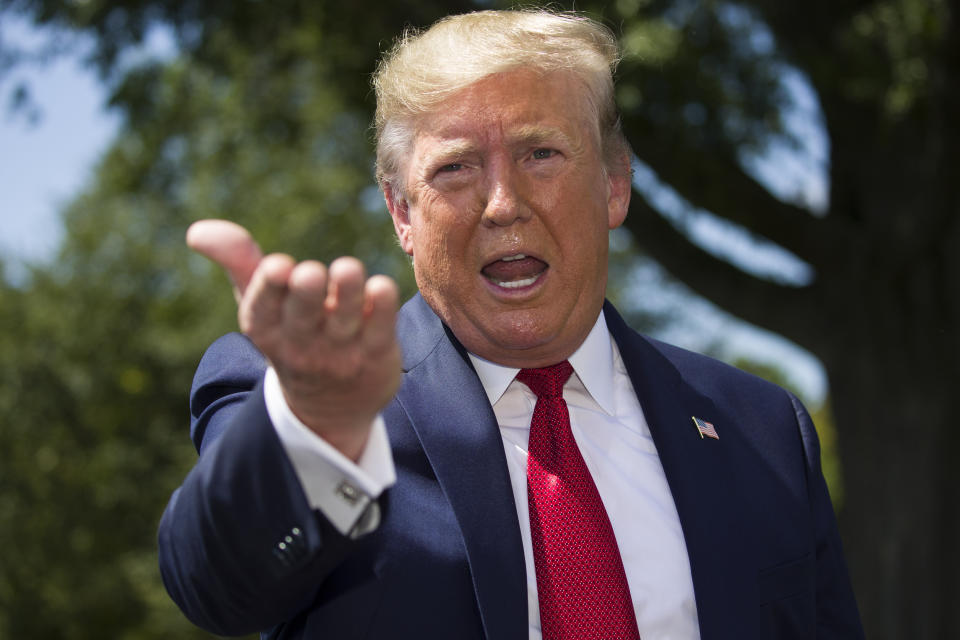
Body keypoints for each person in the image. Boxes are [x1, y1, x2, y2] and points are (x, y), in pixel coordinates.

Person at [158, 9, 864, 640]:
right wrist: (316, 434)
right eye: (456, 168)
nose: (503, 204)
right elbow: (217, 589)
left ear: (615, 183)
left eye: (541, 154)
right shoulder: (298, 393)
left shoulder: (763, 426)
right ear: (402, 213)